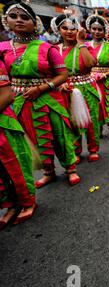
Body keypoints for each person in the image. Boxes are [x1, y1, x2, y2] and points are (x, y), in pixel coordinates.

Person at [0, 1, 80, 188]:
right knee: (33, 138)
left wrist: (41, 88)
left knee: (59, 135)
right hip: (20, 101)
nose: (19, 20)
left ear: (34, 23)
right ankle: (48, 171)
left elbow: (63, 75)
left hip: (48, 100)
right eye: (14, 16)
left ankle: (71, 168)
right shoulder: (3, 49)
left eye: (25, 17)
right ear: (6, 21)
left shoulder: (47, 48)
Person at [54, 13, 101, 164]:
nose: (69, 31)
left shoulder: (86, 46)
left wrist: (81, 42)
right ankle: (76, 150)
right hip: (65, 90)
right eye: (65, 28)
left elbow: (90, 64)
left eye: (73, 28)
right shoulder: (54, 50)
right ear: (58, 29)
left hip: (86, 87)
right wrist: (60, 83)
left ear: (78, 30)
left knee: (91, 121)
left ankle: (93, 149)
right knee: (72, 122)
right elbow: (50, 72)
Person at [0, 57, 36, 228]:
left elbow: (7, 95)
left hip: (2, 122)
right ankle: (10, 205)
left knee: (15, 165)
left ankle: (27, 201)